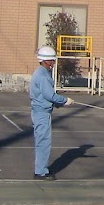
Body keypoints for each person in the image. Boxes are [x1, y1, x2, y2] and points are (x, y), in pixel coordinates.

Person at [30, 46, 73, 180]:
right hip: (41, 113)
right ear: (46, 61)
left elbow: (45, 96)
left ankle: (41, 169)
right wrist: (64, 100)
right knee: (43, 142)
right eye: (52, 60)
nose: (53, 63)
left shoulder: (41, 73)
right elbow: (50, 95)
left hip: (42, 111)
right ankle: (40, 172)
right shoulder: (42, 75)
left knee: (42, 141)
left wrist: (58, 103)